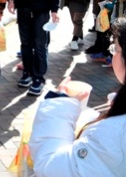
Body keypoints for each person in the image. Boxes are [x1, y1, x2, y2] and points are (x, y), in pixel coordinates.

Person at [29, 17, 126, 177]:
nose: (112, 52)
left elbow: (51, 167)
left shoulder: (114, 134)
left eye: (115, 48)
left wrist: (58, 106)